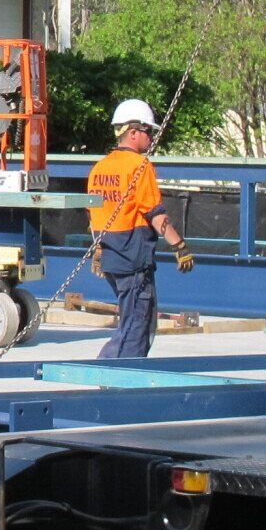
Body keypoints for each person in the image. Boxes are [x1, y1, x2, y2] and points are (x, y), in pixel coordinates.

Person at [88, 98, 193, 360]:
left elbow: (94, 216)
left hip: (113, 258)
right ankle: (113, 378)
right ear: (132, 132)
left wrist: (99, 249)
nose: (151, 138)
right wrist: (180, 247)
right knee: (136, 326)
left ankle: (113, 374)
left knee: (136, 322)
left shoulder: (99, 169)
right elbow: (156, 215)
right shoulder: (139, 167)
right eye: (148, 131)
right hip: (133, 260)